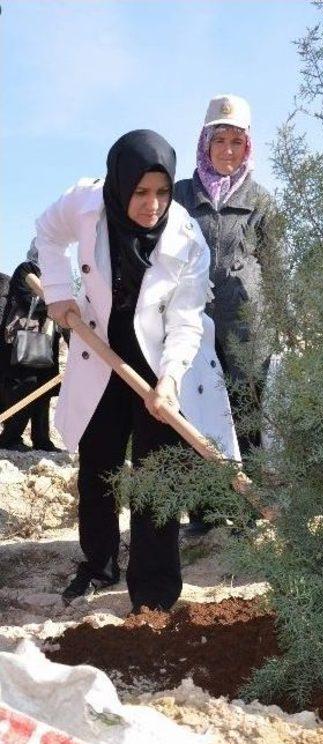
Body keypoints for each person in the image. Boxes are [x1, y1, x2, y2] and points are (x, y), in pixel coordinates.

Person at [36, 129, 240, 611]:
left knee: (157, 474)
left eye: (163, 192)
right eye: (140, 192)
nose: (152, 204)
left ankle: (153, 591)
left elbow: (186, 320)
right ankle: (98, 563)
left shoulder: (187, 238)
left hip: (158, 360)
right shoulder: (85, 203)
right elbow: (47, 232)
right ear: (120, 185)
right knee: (99, 464)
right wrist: (58, 290)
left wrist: (169, 380)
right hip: (99, 351)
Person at [174, 95, 280, 533]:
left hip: (248, 325)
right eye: (221, 140)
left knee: (244, 409)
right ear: (205, 142)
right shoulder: (181, 195)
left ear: (247, 146)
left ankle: (249, 506)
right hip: (193, 321)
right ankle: (204, 509)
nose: (229, 150)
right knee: (198, 409)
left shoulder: (261, 201)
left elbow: (276, 266)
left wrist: (280, 318)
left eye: (237, 141)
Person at [0, 259, 61, 451]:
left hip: (46, 345)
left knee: (43, 391)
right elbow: (27, 301)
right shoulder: (26, 270)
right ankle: (10, 438)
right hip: (21, 346)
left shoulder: (58, 278)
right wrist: (57, 307)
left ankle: (42, 440)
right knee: (23, 390)